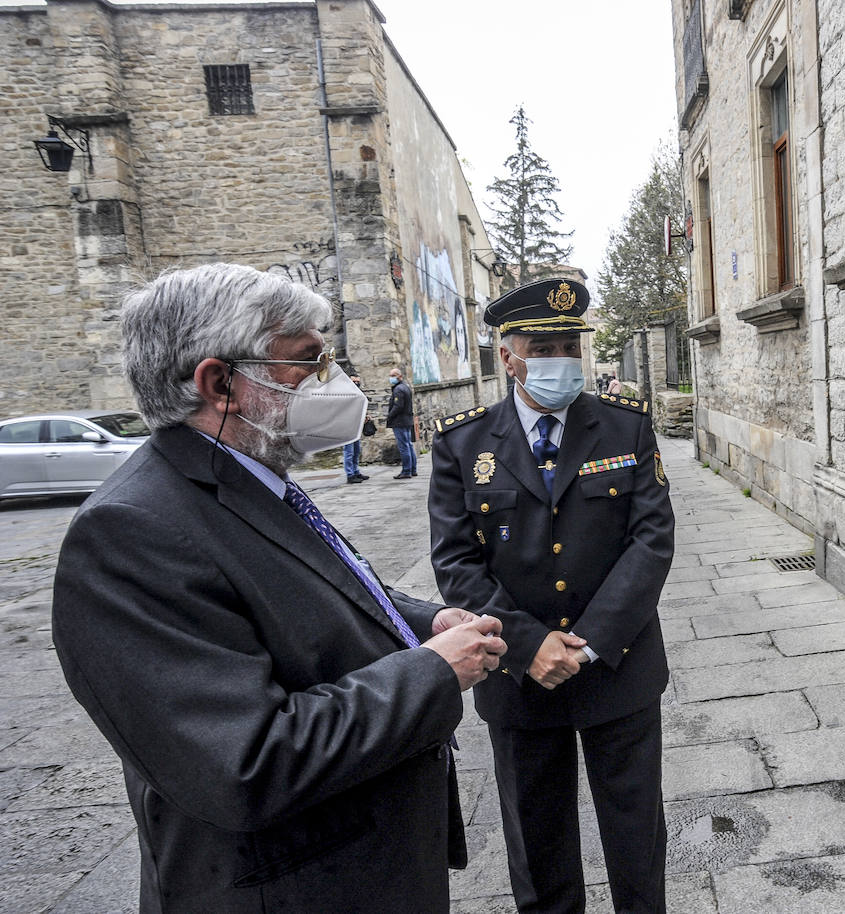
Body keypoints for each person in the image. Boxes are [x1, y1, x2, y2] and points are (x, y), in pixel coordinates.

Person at [51, 263, 506, 914]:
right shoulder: (131, 535)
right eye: (307, 363)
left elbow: (326, 595)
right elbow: (245, 762)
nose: (336, 384)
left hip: (370, 869)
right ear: (220, 383)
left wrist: (423, 623)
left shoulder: (253, 479)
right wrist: (432, 672)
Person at [428, 277, 674, 913]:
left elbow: (650, 542)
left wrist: (587, 644)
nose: (561, 360)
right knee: (538, 849)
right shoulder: (463, 443)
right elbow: (457, 561)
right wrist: (529, 647)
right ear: (508, 354)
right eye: (544, 346)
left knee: (636, 839)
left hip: (617, 668)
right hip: (518, 681)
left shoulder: (626, 428)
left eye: (570, 345)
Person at [387, 366, 417, 479]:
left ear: (400, 376)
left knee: (404, 446)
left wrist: (390, 416)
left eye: (393, 376)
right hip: (406, 420)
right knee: (409, 445)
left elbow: (398, 406)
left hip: (400, 421)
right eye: (390, 376)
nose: (391, 378)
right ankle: (413, 469)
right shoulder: (405, 387)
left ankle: (406, 470)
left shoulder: (399, 389)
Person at [342, 372, 368, 483]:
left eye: (358, 381)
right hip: (347, 426)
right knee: (349, 451)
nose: (356, 383)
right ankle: (350, 474)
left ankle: (356, 471)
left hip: (356, 426)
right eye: (354, 381)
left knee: (357, 450)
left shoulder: (358, 392)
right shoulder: (344, 394)